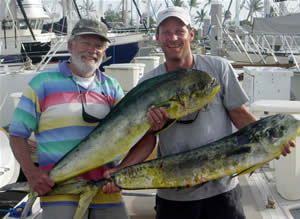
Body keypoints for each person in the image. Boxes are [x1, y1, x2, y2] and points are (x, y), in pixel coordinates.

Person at [103, 6, 295, 219]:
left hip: (222, 191)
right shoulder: (148, 83)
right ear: (157, 37)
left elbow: (238, 114)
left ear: (191, 34)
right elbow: (148, 139)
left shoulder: (218, 68)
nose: (173, 37)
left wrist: (272, 141)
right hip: (173, 194)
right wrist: (119, 171)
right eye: (166, 32)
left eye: (180, 30)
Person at [9, 18, 129, 219]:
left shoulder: (112, 87)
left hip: (105, 189)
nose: (92, 50)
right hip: (60, 192)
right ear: (71, 45)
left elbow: (127, 131)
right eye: (86, 43)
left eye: (98, 45)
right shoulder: (42, 83)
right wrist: (31, 173)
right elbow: (16, 134)